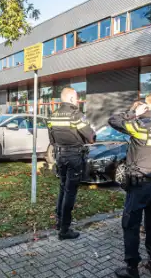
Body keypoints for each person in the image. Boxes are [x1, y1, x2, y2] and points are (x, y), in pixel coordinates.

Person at [108, 101, 151, 278]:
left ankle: (132, 269)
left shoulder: (140, 126)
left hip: (138, 186)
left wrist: (132, 112)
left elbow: (113, 120)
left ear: (140, 111)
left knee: (130, 225)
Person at [47, 87, 95, 240]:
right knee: (70, 192)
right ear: (72, 99)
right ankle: (64, 230)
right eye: (77, 98)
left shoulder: (52, 116)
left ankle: (59, 221)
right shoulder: (76, 116)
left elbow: (52, 140)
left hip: (60, 156)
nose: (78, 101)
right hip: (74, 156)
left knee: (62, 188)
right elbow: (91, 138)